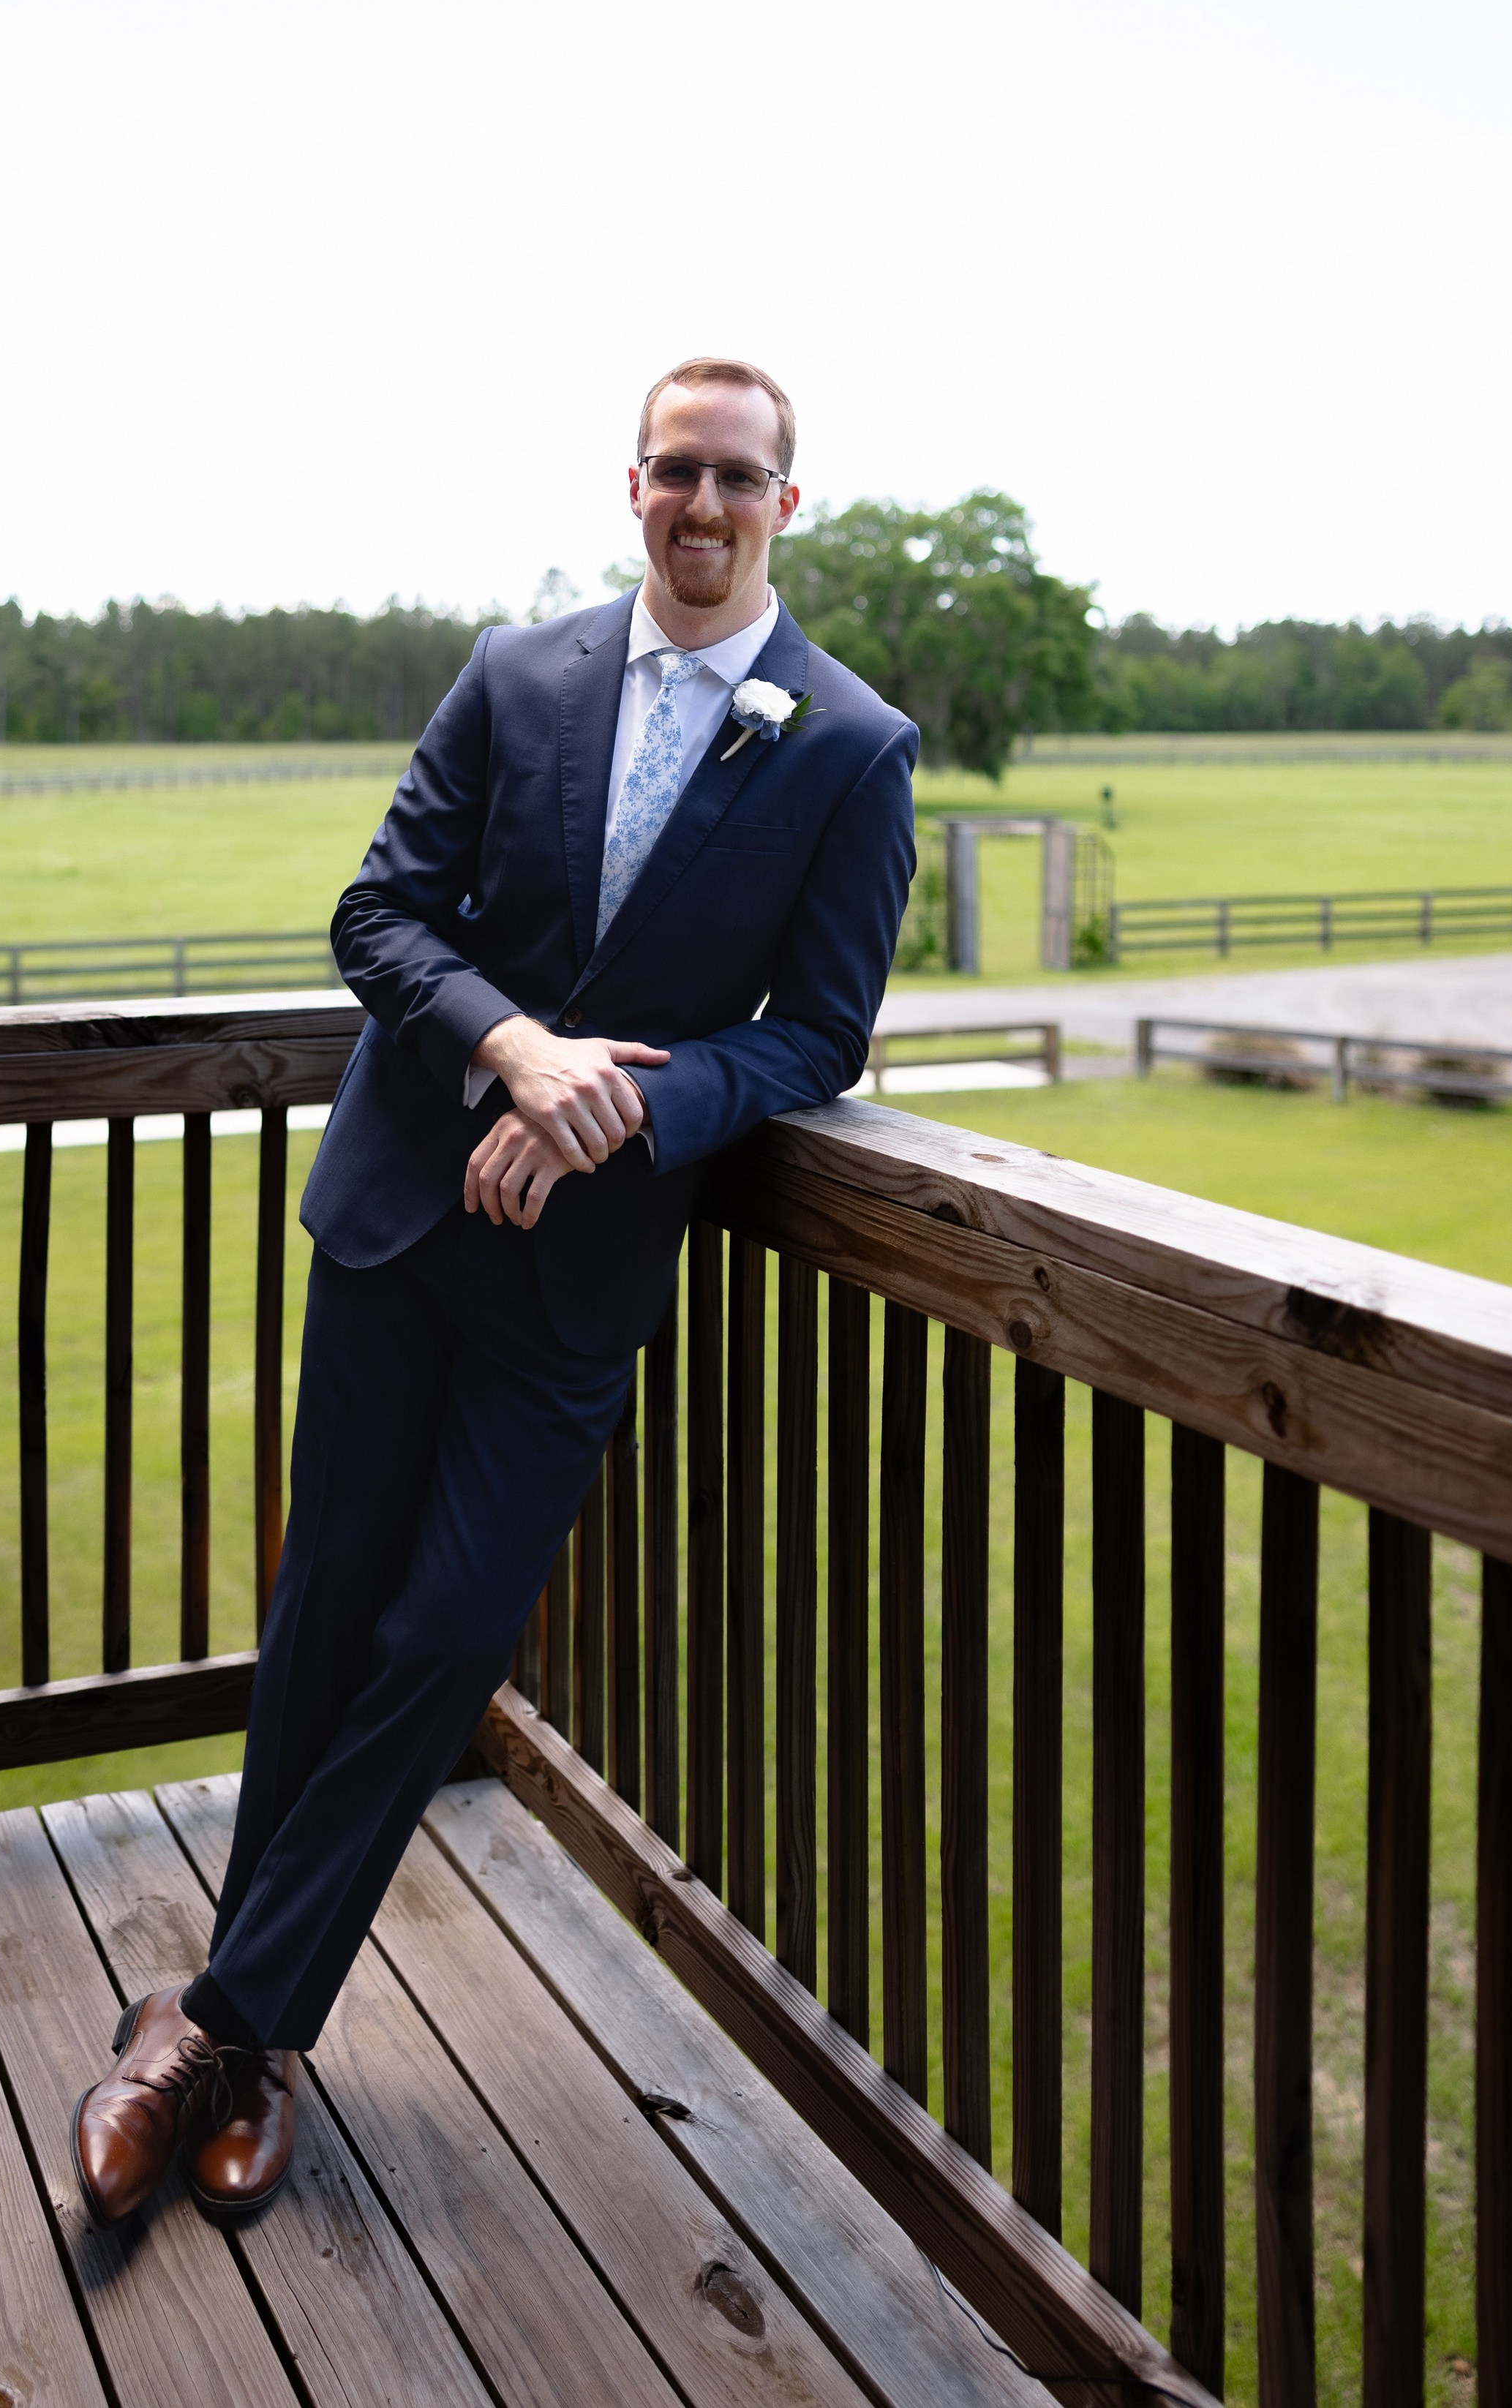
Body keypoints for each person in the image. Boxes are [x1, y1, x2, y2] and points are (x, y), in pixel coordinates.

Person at [71, 355, 919, 2224]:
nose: (704, 504)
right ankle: (261, 2039)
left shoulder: (850, 742)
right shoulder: (511, 670)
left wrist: (618, 1109)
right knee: (324, 1611)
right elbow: (376, 914)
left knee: (450, 1632)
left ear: (792, 499)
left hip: (577, 1276)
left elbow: (819, 1033)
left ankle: (201, 2019)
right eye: (674, 470)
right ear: (632, 487)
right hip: (394, 1218)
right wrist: (518, 1045)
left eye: (739, 477)